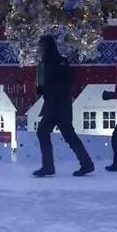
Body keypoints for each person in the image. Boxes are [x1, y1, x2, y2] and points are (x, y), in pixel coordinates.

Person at [33, 35, 94, 178]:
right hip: (61, 105)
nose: (40, 50)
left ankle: (49, 166)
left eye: (41, 47)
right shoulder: (56, 62)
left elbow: (59, 83)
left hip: (56, 105)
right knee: (67, 135)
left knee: (45, 132)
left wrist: (45, 90)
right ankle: (85, 163)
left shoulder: (53, 63)